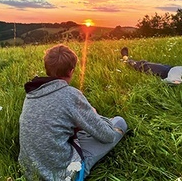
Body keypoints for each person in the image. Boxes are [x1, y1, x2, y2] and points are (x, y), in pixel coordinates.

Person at [19, 44, 127, 180]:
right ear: (71, 71)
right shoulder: (70, 95)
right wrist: (95, 115)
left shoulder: (32, 93)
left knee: (79, 128)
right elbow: (107, 136)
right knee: (119, 122)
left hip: (29, 170)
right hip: (63, 173)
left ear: (47, 69)